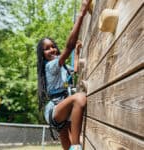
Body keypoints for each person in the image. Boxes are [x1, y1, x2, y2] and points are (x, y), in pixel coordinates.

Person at [37, 0, 91, 149]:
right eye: (47, 49)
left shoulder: (61, 68)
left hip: (62, 111)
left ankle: (72, 147)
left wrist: (78, 53)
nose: (53, 50)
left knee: (66, 148)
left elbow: (74, 70)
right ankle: (76, 146)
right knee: (79, 98)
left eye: (53, 46)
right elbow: (68, 47)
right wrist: (82, 13)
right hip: (56, 109)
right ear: (42, 55)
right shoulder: (50, 66)